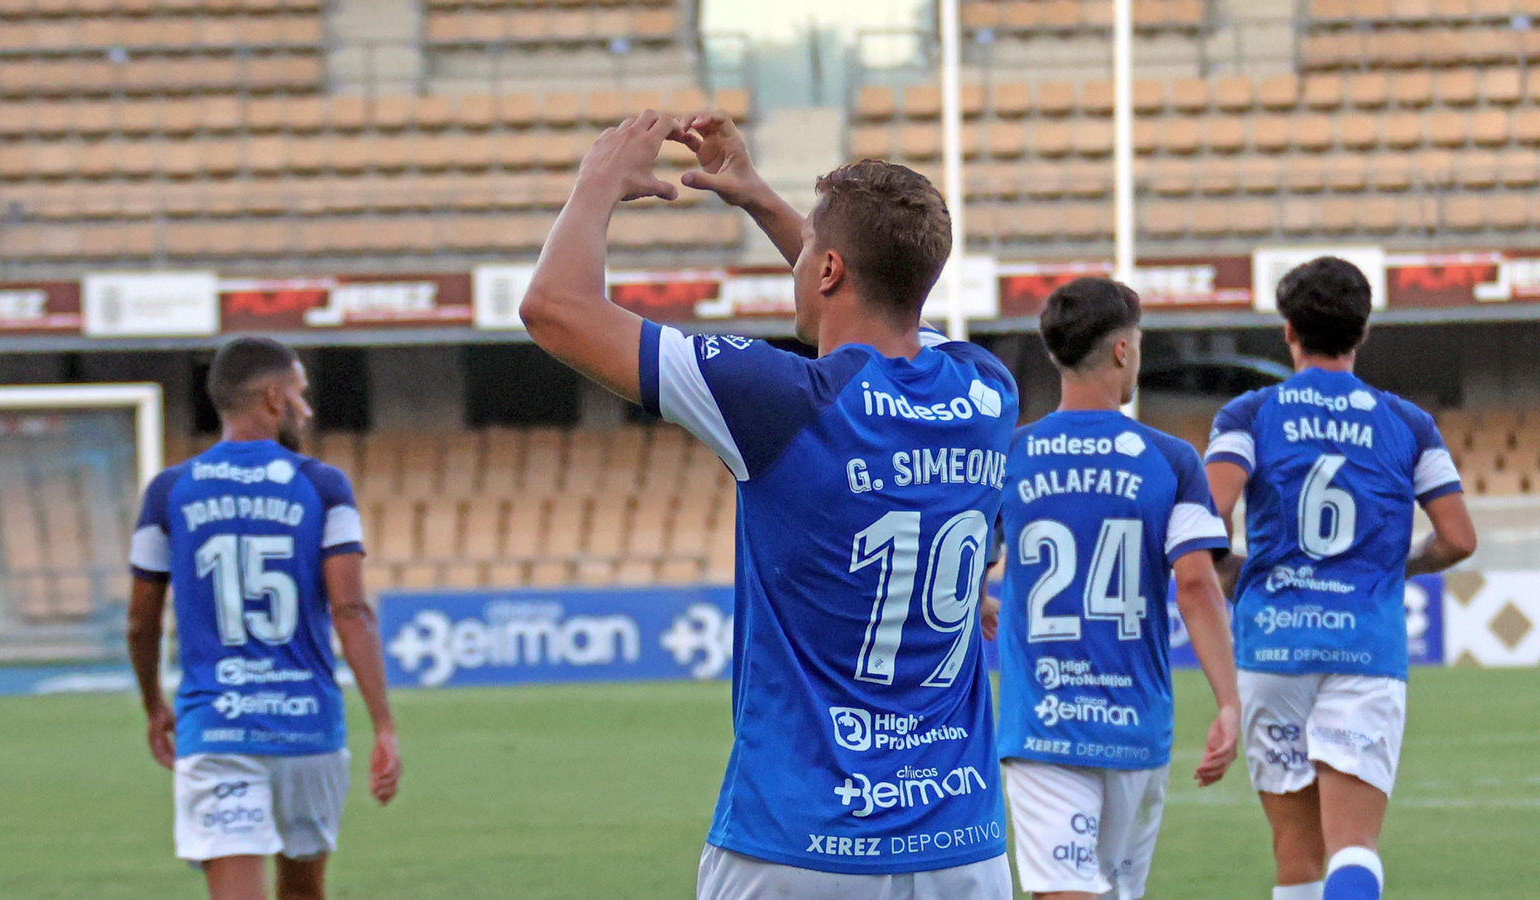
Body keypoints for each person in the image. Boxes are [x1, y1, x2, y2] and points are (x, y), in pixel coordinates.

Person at [520, 108, 1018, 898]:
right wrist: (759, 199)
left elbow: (555, 308)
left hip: (799, 843)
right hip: (962, 847)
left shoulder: (781, 400)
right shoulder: (988, 389)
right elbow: (880, 302)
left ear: (825, 270)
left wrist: (597, 184)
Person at [1204, 257, 1477, 900]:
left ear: (1289, 330)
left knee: (1296, 855)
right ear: (1363, 332)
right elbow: (1459, 537)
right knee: (1354, 847)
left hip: (1273, 643)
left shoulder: (1249, 414)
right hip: (1365, 647)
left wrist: (1232, 570)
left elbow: (1207, 516)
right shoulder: (1408, 423)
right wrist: (1393, 567)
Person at [127, 336, 402, 900]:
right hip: (308, 730)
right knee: (303, 892)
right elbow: (350, 610)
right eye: (300, 395)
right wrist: (384, 726)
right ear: (274, 398)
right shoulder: (324, 487)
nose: (307, 408)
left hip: (218, 726)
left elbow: (141, 623)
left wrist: (154, 702)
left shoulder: (169, 492)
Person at [994, 277, 1241, 900]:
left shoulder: (1010, 456)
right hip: (1137, 729)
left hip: (1044, 724)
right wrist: (1231, 702)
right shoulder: (1172, 460)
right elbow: (1197, 586)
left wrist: (977, 602)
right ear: (1124, 351)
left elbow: (957, 565)